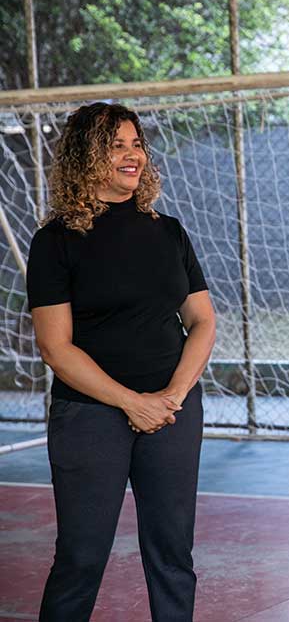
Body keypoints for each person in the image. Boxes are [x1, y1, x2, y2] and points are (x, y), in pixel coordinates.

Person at [26, 102, 216, 621]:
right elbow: (56, 347)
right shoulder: (55, 242)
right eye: (116, 146)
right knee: (81, 558)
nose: (133, 155)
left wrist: (172, 396)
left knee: (173, 554)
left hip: (173, 413)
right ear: (86, 157)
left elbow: (202, 321)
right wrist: (132, 402)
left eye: (136, 144)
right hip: (90, 416)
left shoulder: (169, 231)